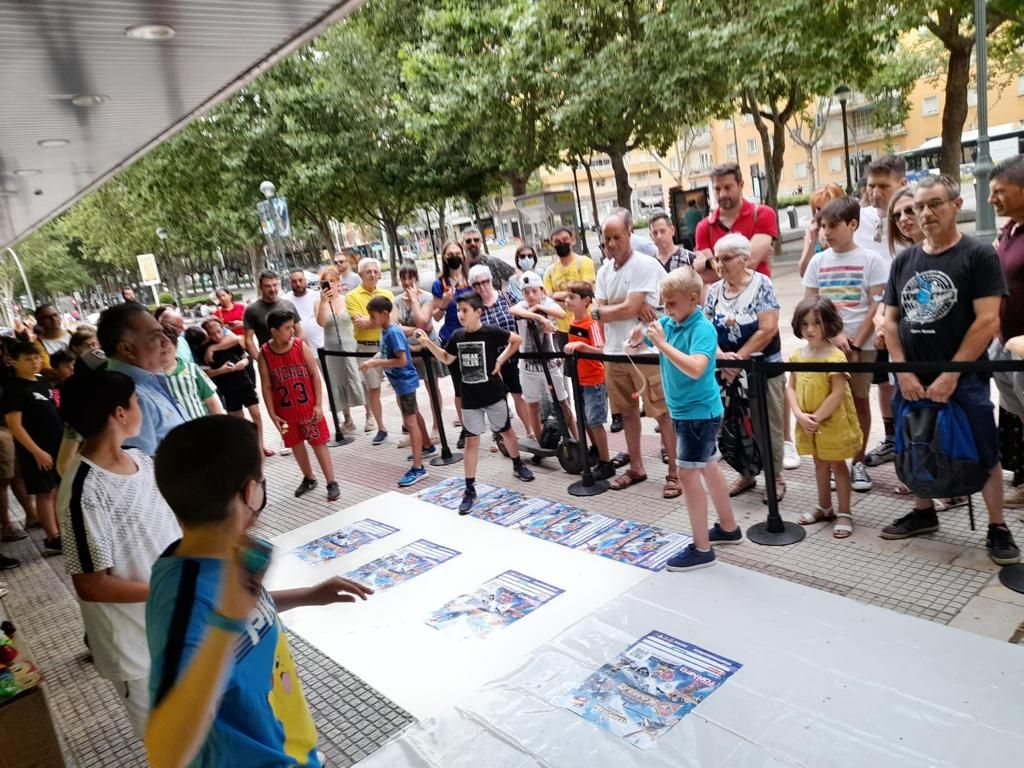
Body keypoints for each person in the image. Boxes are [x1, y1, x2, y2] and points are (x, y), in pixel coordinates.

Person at [145, 416, 372, 768]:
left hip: (290, 749)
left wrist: (308, 595)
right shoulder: (185, 599)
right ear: (251, 491)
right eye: (263, 481)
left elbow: (247, 616)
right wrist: (227, 620)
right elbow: (165, 755)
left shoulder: (225, 559)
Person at [880, 175, 1019, 565]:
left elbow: (987, 320)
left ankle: (997, 526)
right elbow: (890, 321)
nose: (925, 213)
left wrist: (952, 374)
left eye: (935, 204)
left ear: (956, 205)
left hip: (964, 378)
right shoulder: (905, 259)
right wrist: (902, 371)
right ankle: (924, 512)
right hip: (911, 376)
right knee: (916, 443)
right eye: (919, 206)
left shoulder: (978, 256)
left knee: (983, 451)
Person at [58, 370, 181, 738]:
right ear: (119, 413)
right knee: (169, 742)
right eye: (136, 402)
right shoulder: (83, 490)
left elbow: (167, 525)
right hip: (135, 647)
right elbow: (92, 584)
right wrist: (169, 588)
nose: (140, 408)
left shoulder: (142, 461)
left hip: (174, 623)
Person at [629, 266, 740, 572]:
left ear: (693, 298)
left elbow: (696, 367)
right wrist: (641, 336)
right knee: (707, 466)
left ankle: (702, 548)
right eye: (664, 303)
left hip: (698, 414)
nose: (667, 310)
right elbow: (650, 338)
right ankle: (729, 527)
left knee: (688, 475)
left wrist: (661, 344)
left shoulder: (702, 328)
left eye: (673, 303)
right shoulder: (671, 321)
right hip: (686, 411)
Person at [414, 293, 535, 514]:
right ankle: (469, 488)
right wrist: (427, 342)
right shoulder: (457, 336)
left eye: (465, 310)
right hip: (470, 398)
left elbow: (516, 340)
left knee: (506, 431)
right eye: (458, 310)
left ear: (478, 312)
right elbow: (447, 357)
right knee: (472, 442)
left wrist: (500, 360)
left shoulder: (490, 332)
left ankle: (518, 464)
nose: (460, 315)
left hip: (494, 394)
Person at [801, 196, 890, 493]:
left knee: (859, 401)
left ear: (853, 224)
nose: (826, 232)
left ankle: (858, 461)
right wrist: (831, 336)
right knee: (824, 403)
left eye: (833, 226)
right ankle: (829, 461)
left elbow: (875, 306)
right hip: (825, 348)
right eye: (823, 226)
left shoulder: (872, 260)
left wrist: (856, 342)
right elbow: (809, 305)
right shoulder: (818, 261)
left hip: (860, 347)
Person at [594, 209, 679, 499]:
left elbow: (628, 309)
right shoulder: (603, 271)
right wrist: (619, 308)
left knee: (662, 413)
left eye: (617, 236)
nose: (612, 243)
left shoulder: (645, 264)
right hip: (614, 353)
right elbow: (601, 312)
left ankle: (675, 473)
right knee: (627, 413)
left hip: (647, 353)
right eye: (607, 238)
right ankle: (636, 467)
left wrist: (615, 308)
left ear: (630, 233)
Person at [704, 233, 787, 503]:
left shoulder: (761, 284)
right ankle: (746, 472)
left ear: (744, 258)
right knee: (735, 423)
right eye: (716, 259)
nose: (719, 264)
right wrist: (721, 358)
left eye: (725, 259)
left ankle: (776, 477)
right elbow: (705, 328)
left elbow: (768, 328)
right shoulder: (715, 290)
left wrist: (737, 359)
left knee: (766, 424)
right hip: (726, 370)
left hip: (761, 369)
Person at [787, 297, 863, 540]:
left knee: (837, 464)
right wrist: (799, 415)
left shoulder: (835, 356)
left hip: (831, 421)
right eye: (805, 323)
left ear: (829, 324)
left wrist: (817, 417)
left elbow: (838, 392)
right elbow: (791, 387)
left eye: (816, 323)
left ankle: (844, 512)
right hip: (808, 421)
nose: (810, 329)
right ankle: (824, 506)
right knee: (819, 462)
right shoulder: (798, 356)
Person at [258, 310, 340, 501]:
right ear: (274, 331)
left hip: (308, 408)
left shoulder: (299, 346)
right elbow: (266, 386)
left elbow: (314, 375)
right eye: (287, 328)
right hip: (285, 412)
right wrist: (272, 414)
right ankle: (309, 477)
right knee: (295, 444)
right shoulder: (265, 353)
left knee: (318, 443)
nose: (292, 332)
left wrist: (318, 404)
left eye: (292, 327)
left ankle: (331, 481)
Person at [862, 156, 910, 470]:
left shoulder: (913, 217)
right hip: (876, 319)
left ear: (902, 184)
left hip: (909, 320)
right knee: (884, 382)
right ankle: (893, 441)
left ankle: (914, 449)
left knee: (909, 383)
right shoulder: (862, 219)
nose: (876, 192)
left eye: (884, 186)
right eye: (871, 186)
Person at [359, 296, 434, 488]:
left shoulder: (392, 332)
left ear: (384, 314)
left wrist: (376, 363)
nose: (370, 319)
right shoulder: (386, 331)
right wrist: (376, 359)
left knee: (410, 422)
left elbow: (402, 360)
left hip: (404, 382)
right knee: (414, 416)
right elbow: (390, 354)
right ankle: (427, 446)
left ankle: (418, 467)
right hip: (400, 382)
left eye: (372, 315)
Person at [3, 341, 62, 554]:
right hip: (36, 450)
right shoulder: (14, 389)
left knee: (56, 490)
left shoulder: (42, 382)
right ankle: (52, 536)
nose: (34, 362)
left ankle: (60, 531)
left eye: (36, 357)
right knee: (45, 492)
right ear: (13, 362)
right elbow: (15, 425)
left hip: (56, 446)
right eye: (28, 359)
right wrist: (36, 451)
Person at [988, 155, 1024, 509]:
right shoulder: (1008, 230)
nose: (991, 199)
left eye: (999, 191)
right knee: (1020, 415)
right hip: (1003, 345)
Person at [510, 272, 578, 444]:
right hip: (528, 365)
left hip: (550, 363)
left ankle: (577, 439)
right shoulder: (521, 306)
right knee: (533, 404)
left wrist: (540, 309)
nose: (531, 296)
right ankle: (540, 441)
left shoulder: (548, 303)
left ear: (541, 290)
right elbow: (513, 310)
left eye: (534, 291)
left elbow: (562, 314)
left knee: (562, 402)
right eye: (526, 292)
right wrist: (539, 317)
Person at [468, 264, 532, 438]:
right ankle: (503, 436)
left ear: (491, 281)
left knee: (519, 395)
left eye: (485, 282)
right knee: (498, 401)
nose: (482, 287)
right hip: (491, 361)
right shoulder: (474, 307)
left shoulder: (506, 296)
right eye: (477, 284)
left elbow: (524, 311)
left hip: (513, 356)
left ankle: (530, 432)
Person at [562, 281, 615, 479]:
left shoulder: (591, 325)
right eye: (567, 297)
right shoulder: (573, 323)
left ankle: (606, 462)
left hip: (594, 380)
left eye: (572, 298)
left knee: (595, 421)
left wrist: (582, 347)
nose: (568, 301)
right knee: (585, 420)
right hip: (579, 380)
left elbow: (602, 351)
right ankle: (596, 451)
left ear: (586, 301)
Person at [694, 162, 779, 281]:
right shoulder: (704, 227)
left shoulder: (762, 214)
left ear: (741, 185)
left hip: (757, 295)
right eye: (717, 189)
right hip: (722, 298)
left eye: (728, 187)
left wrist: (708, 263)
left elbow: (750, 261)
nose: (722, 194)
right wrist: (737, 261)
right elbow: (705, 277)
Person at [200, 318, 271, 456]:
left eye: (219, 332)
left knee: (256, 414)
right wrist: (222, 370)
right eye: (212, 334)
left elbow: (245, 356)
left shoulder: (231, 340)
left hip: (244, 382)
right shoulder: (205, 349)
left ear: (222, 328)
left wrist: (243, 363)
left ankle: (261, 445)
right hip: (227, 388)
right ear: (207, 334)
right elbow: (206, 373)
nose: (217, 337)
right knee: (238, 420)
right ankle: (247, 448)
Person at [347, 258, 394, 444]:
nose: (373, 274)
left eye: (376, 271)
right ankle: (381, 427)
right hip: (366, 347)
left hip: (387, 343)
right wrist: (379, 319)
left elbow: (391, 319)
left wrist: (370, 320)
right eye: (369, 272)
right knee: (373, 389)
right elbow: (360, 322)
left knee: (399, 386)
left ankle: (407, 423)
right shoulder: (351, 297)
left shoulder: (387, 293)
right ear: (360, 274)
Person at [394, 263, 443, 441]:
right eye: (403, 278)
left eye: (410, 278)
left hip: (426, 347)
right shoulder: (397, 301)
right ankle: (413, 428)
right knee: (406, 390)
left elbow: (423, 323)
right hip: (407, 350)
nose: (407, 282)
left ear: (416, 278)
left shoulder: (427, 297)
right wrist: (415, 328)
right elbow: (394, 326)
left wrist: (414, 300)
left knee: (432, 386)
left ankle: (437, 427)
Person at [316, 265, 366, 436]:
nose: (329, 285)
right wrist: (324, 302)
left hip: (351, 343)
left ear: (338, 282)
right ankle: (347, 418)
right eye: (326, 282)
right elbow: (321, 323)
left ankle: (370, 416)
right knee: (337, 379)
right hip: (331, 347)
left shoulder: (347, 299)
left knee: (359, 377)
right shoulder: (319, 302)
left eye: (332, 281)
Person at [432, 243, 474, 444]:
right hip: (451, 338)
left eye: (458, 253)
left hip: (474, 337)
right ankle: (466, 428)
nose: (455, 257)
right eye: (450, 254)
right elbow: (436, 316)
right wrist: (445, 302)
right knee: (459, 386)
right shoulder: (439, 284)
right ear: (444, 257)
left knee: (479, 382)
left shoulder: (471, 279)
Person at [543, 227, 596, 350]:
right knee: (569, 366)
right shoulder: (550, 271)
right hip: (562, 328)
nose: (562, 243)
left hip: (585, 324)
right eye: (557, 241)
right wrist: (574, 295)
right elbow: (548, 298)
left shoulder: (584, 262)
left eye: (565, 239)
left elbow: (587, 289)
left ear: (572, 239)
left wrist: (557, 295)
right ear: (551, 244)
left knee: (590, 365)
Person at [160, 324, 224, 420]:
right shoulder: (149, 377)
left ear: (176, 346)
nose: (163, 348)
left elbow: (211, 400)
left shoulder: (192, 369)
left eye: (167, 348)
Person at [243, 271, 301, 362]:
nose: (272, 289)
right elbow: (248, 340)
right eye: (267, 286)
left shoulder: (288, 305)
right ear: (260, 287)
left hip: (293, 357)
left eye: (275, 285)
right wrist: (261, 361)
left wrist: (301, 354)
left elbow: (299, 332)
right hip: (269, 359)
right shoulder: (251, 310)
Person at [797, 183, 846, 278]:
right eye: (818, 209)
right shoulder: (813, 231)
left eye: (828, 208)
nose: (822, 214)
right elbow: (803, 273)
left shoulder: (847, 228)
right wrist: (811, 243)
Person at [284, 268, 325, 353]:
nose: (298, 284)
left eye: (300, 280)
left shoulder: (317, 296)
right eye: (294, 281)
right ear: (290, 283)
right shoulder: (285, 300)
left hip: (321, 345)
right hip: (299, 349)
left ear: (305, 280)